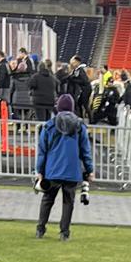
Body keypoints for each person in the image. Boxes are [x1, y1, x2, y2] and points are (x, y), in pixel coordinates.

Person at [35, 93, 92, 241]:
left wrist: (39, 170)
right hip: (72, 171)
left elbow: (42, 150)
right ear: (72, 108)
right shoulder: (80, 126)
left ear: (58, 107)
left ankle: (40, 229)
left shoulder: (49, 126)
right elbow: (85, 150)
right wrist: (89, 169)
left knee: (47, 199)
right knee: (68, 203)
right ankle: (64, 233)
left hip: (52, 170)